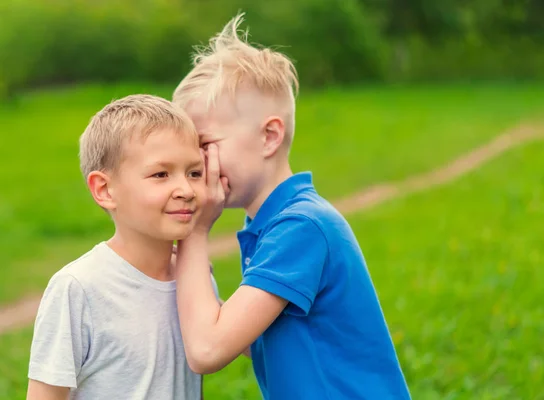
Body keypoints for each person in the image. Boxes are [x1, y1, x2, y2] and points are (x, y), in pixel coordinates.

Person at [171, 13, 411, 400]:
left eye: (206, 144)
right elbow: (256, 339)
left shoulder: (300, 228)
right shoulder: (273, 224)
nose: (197, 164)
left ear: (269, 136)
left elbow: (207, 350)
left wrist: (196, 233)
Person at [27, 94, 216, 399]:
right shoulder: (78, 289)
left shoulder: (195, 278)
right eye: (161, 174)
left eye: (194, 173)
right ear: (104, 190)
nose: (186, 189)